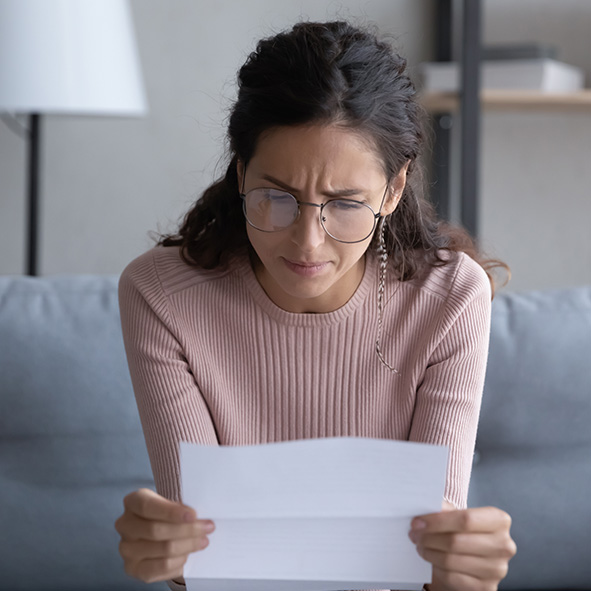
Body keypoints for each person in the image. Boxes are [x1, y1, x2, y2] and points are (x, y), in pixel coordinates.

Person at [114, 20, 516, 591]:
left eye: (346, 203)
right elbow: (202, 554)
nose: (307, 242)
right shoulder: (160, 295)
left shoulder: (450, 298)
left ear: (393, 190)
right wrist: (167, 551)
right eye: (275, 197)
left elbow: (431, 558)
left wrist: (464, 571)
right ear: (240, 173)